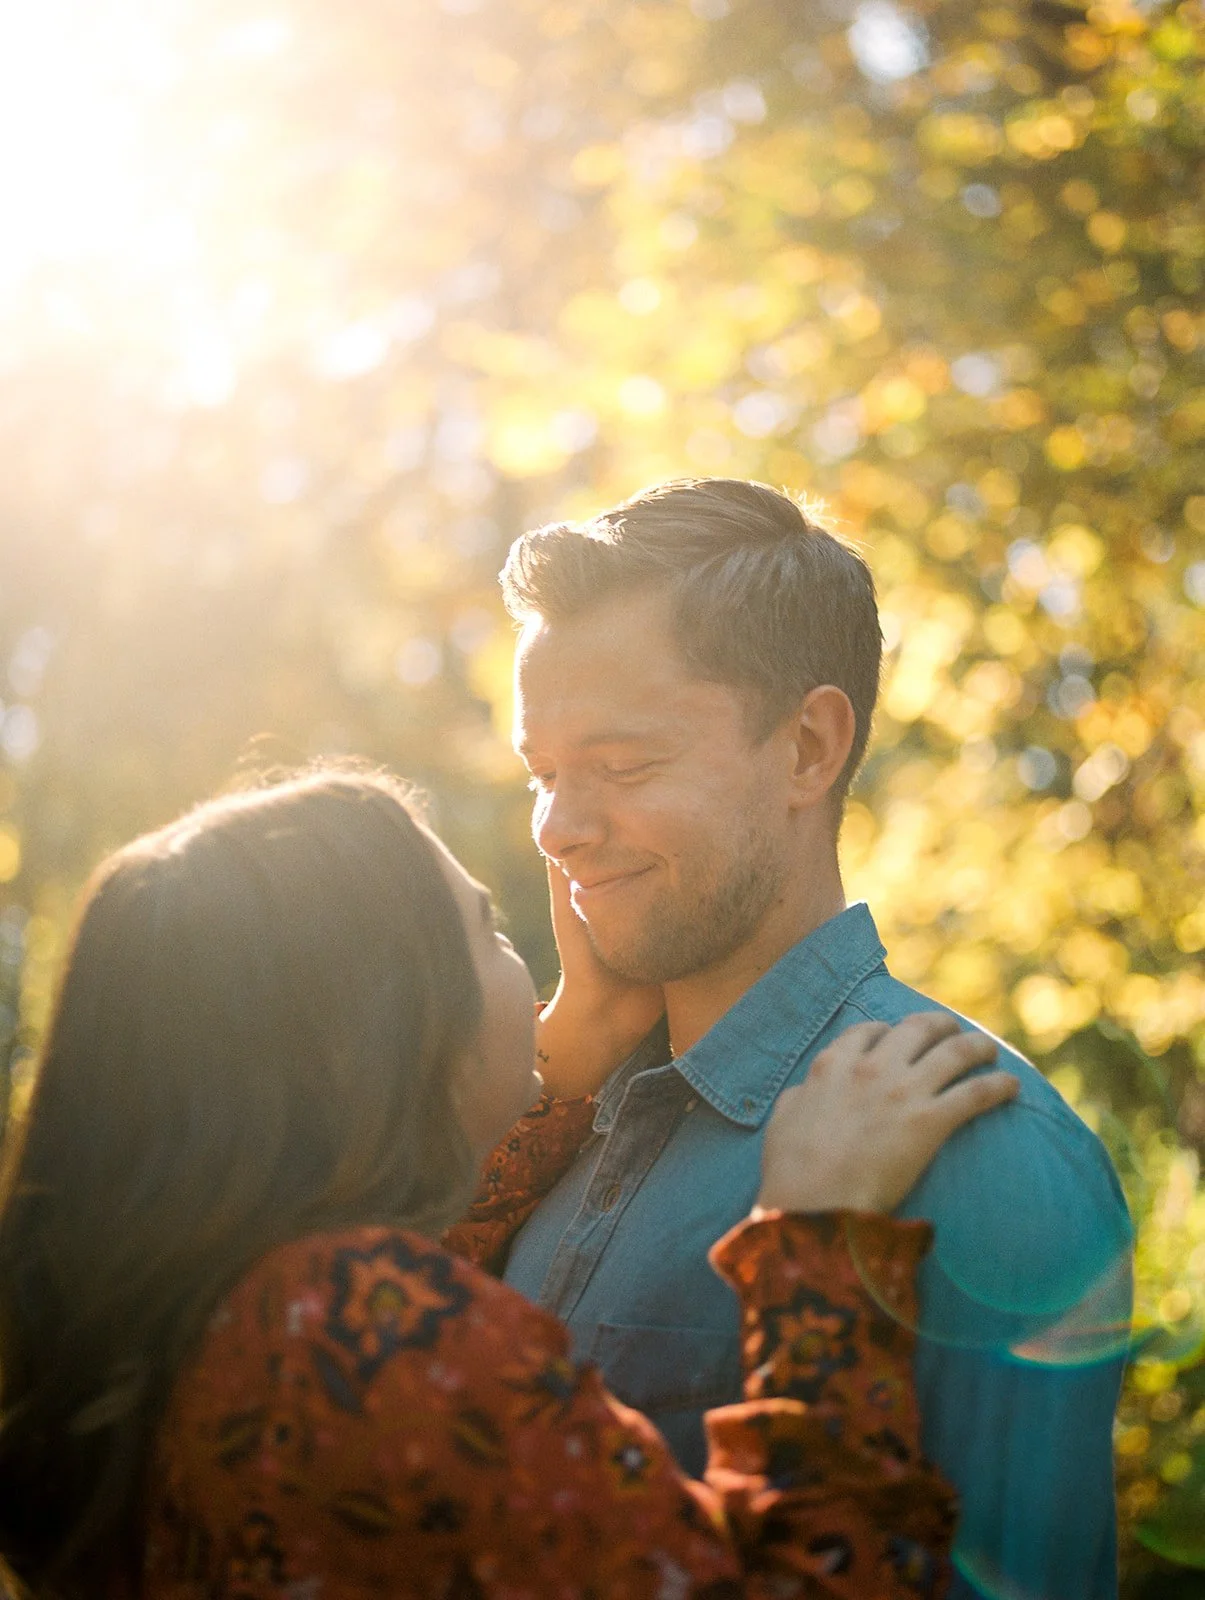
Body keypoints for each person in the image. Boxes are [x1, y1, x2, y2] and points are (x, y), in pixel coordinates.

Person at [0, 767, 1019, 1600]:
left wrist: (546, 1070)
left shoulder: (219, 1310)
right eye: (485, 929)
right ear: (391, 1027)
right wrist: (814, 1240)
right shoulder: (367, 1332)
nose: (527, 961)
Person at [499, 478, 1134, 1600]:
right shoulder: (560, 1124)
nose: (557, 827)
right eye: (543, 774)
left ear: (806, 747)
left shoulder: (978, 1153)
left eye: (621, 765)